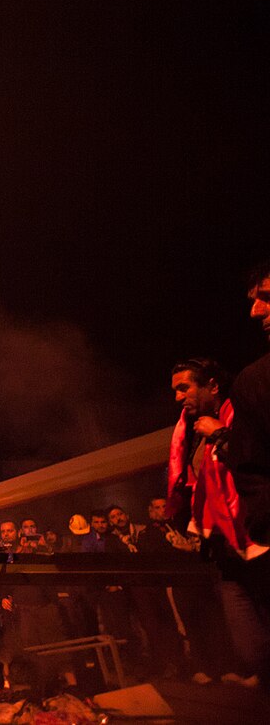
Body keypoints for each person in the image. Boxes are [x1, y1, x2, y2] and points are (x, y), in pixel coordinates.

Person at [213, 264, 270, 688]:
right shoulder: (256, 381)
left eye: (266, 296)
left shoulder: (252, 385)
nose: (255, 311)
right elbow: (251, 471)